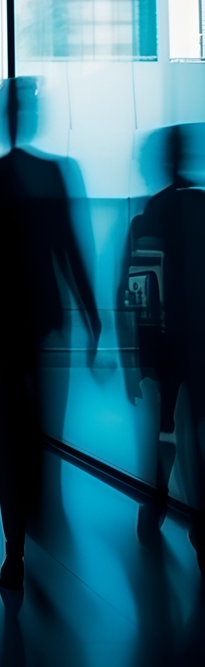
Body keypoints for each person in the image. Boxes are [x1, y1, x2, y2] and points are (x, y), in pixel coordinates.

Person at [0, 78, 100, 592]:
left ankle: (21, 535)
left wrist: (89, 311)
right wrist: (87, 312)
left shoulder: (6, 176)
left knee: (20, 425)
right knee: (19, 421)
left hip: (16, 315)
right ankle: (17, 540)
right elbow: (66, 246)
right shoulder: (41, 174)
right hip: (8, 318)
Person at [121, 124, 205, 568]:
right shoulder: (200, 206)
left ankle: (154, 503)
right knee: (192, 428)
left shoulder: (150, 216)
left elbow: (137, 290)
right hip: (197, 340)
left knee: (166, 428)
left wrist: (138, 356)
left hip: (167, 343)